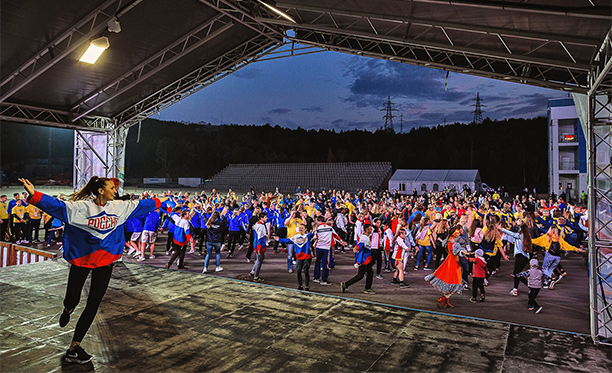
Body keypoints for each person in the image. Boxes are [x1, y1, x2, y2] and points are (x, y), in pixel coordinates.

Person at [19, 177, 163, 364]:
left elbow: (141, 205)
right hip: (83, 259)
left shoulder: (119, 207)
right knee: (73, 298)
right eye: (111, 188)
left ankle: (74, 347)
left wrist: (159, 202)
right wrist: (35, 195)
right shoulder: (80, 208)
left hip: (105, 261)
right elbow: (57, 206)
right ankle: (68, 309)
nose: (115, 191)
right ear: (101, 191)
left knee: (93, 304)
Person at [425, 225, 465, 308]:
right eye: (457, 233)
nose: (458, 234)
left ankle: (446, 302)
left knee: (450, 280)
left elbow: (444, 244)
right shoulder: (455, 243)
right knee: (454, 280)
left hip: (449, 260)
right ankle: (443, 298)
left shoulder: (448, 240)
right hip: (454, 262)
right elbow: (457, 251)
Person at [341, 224, 376, 294]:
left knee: (366, 274)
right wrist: (356, 247)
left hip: (366, 259)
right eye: (370, 229)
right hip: (365, 260)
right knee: (361, 275)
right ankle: (347, 285)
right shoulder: (364, 237)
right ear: (367, 230)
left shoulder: (366, 236)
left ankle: (347, 285)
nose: (371, 230)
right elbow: (360, 244)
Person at [279, 223, 313, 290]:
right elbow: (288, 241)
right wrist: (279, 239)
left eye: (302, 228)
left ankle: (307, 285)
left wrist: (313, 231)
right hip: (299, 257)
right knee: (298, 271)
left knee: (306, 270)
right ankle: (300, 285)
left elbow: (310, 235)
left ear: (305, 229)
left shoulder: (307, 236)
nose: (300, 229)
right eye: (300, 228)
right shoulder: (295, 236)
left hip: (307, 256)